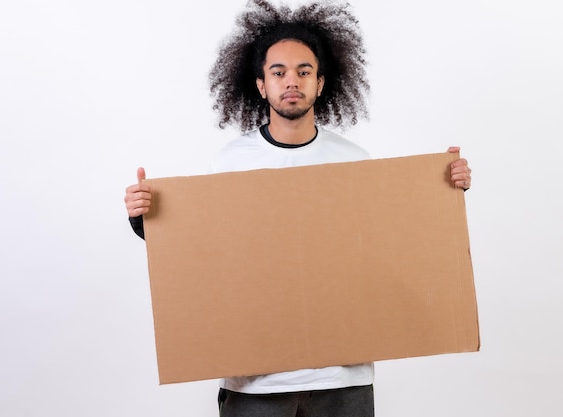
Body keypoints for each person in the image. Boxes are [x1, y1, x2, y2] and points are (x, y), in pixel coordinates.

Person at [124, 1, 472, 416]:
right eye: (279, 72)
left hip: (342, 379)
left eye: (304, 71)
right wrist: (143, 216)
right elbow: (203, 251)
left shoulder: (353, 160)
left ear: (321, 83)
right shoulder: (230, 162)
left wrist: (444, 189)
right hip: (253, 381)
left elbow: (392, 244)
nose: (292, 81)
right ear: (260, 85)